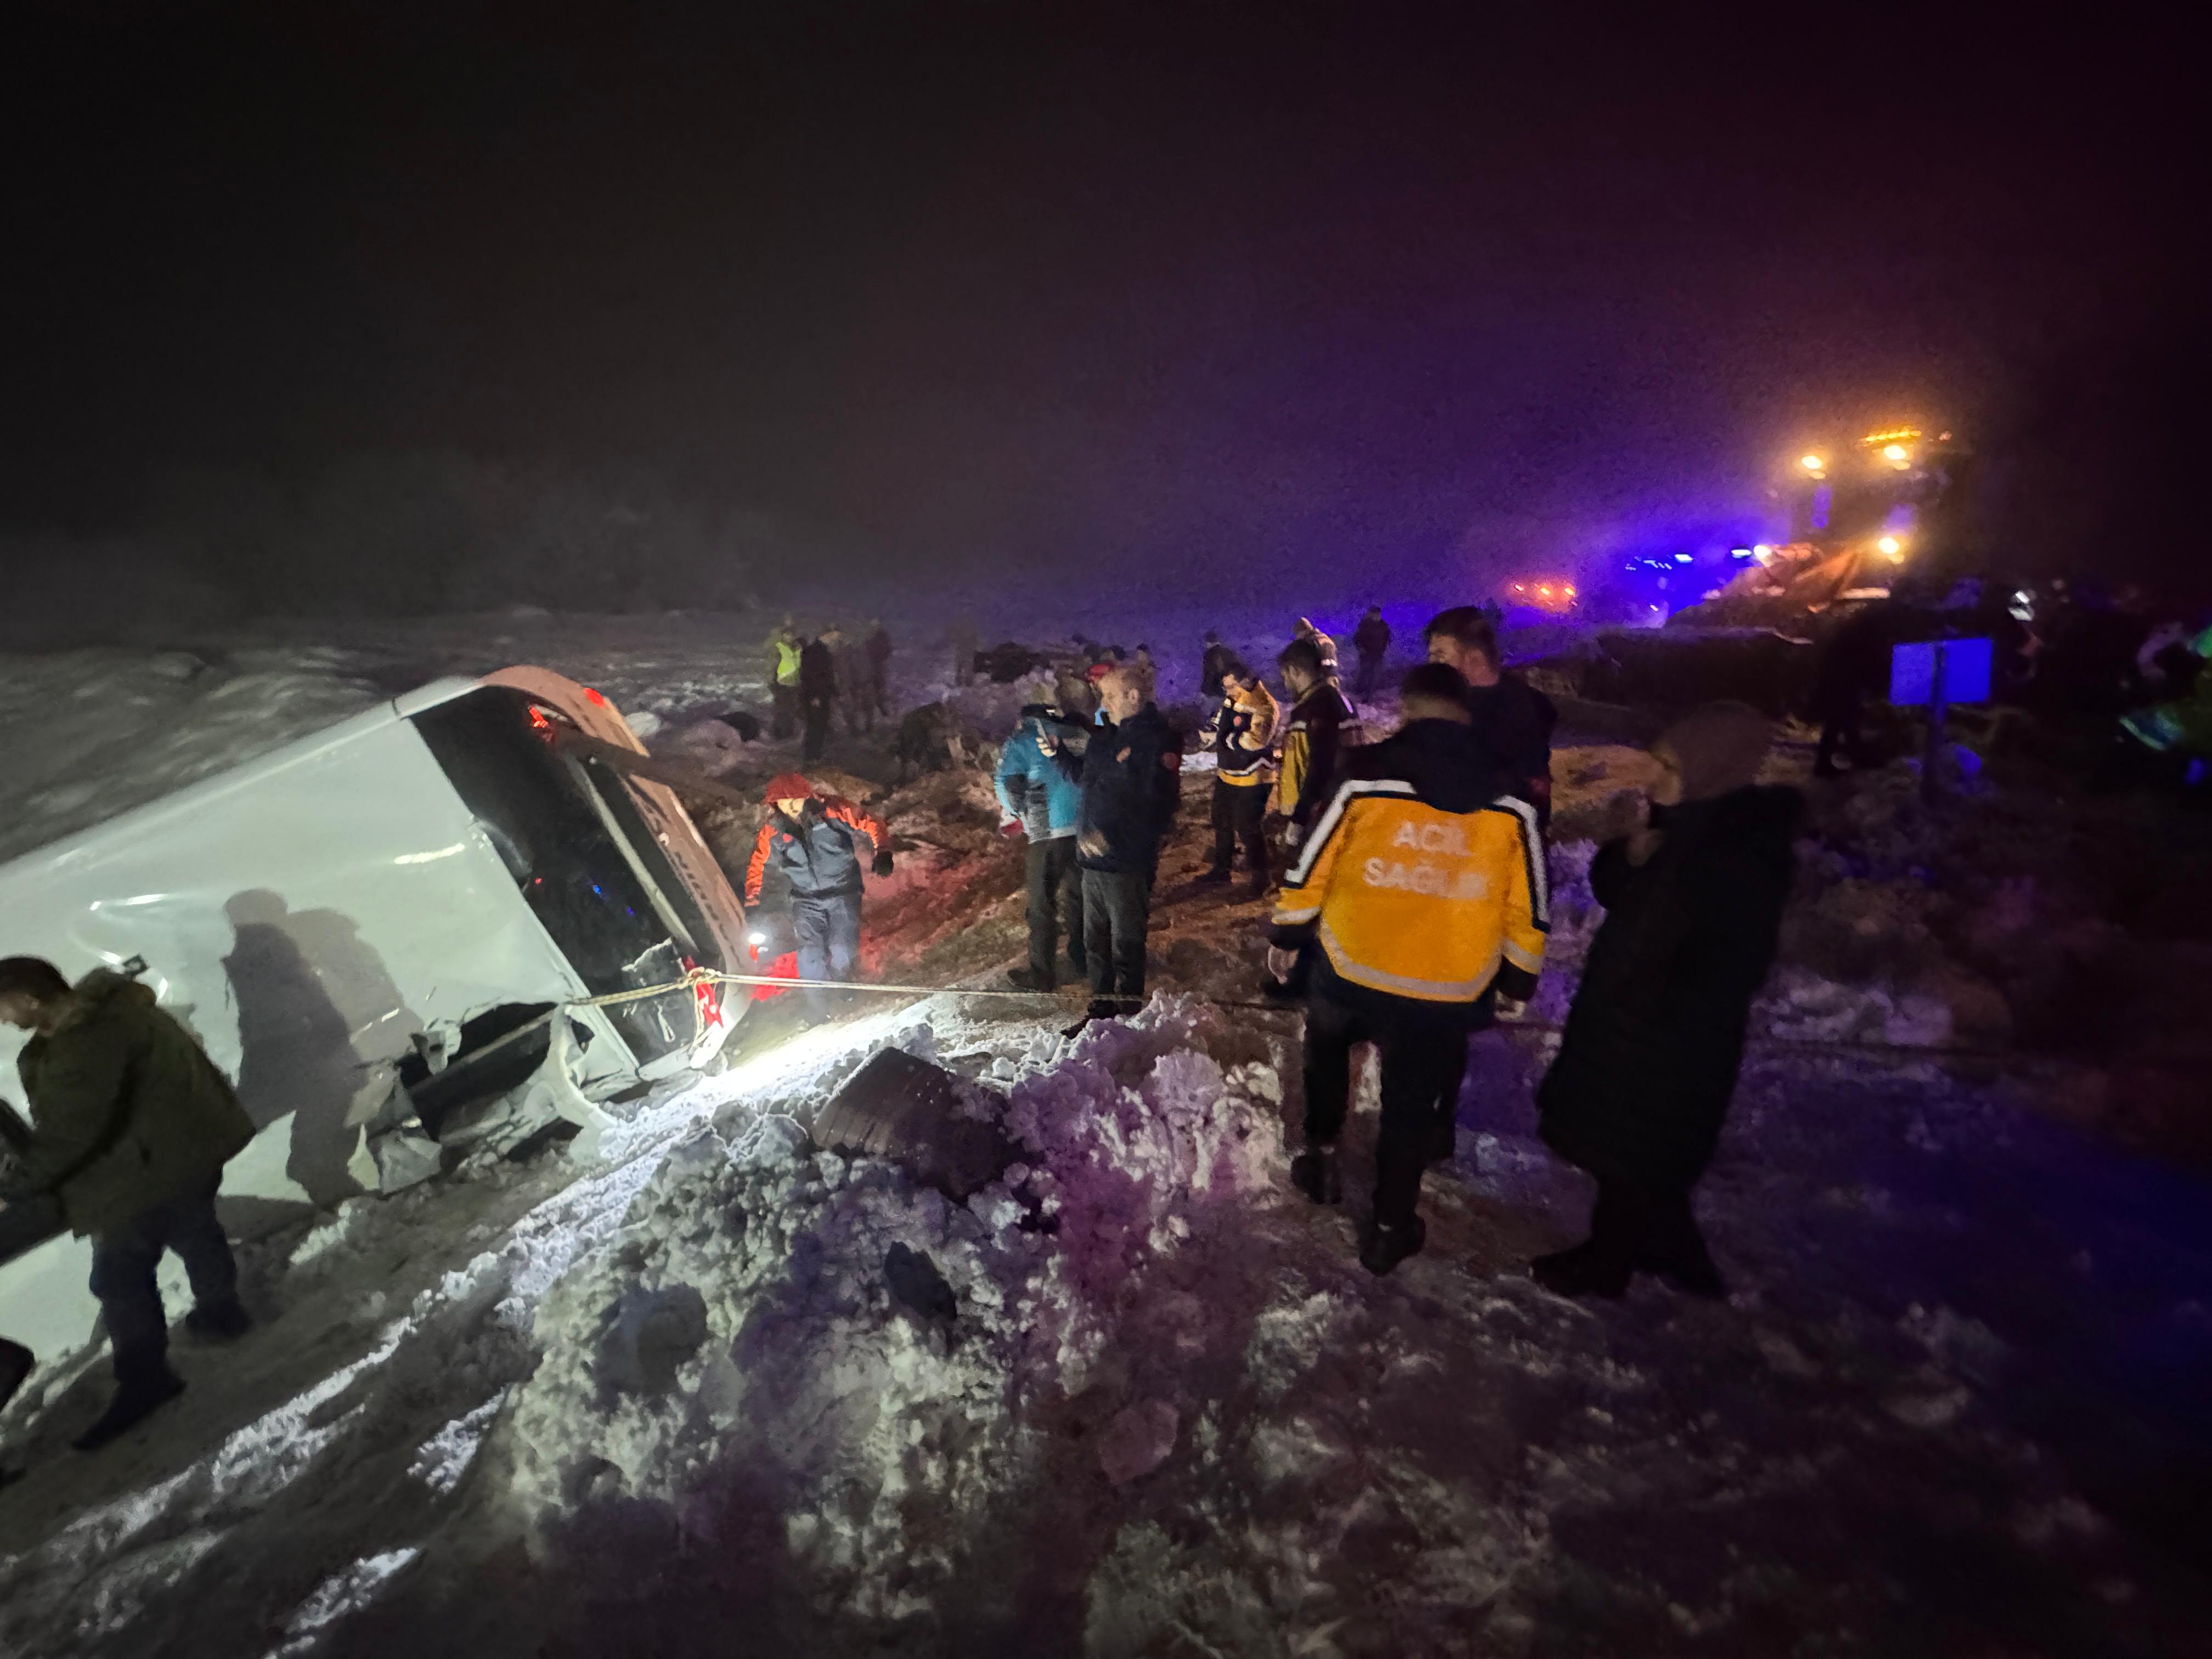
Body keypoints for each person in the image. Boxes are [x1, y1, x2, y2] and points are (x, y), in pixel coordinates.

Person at [1268, 664, 1547, 1275]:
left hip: (1351, 962)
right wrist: (1518, 977)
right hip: (1444, 985)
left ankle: (1319, 1158)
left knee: (1326, 1057)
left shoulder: (1365, 772)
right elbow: (1527, 898)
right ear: (1464, 710)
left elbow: (1316, 858)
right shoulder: (1513, 794)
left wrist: (1289, 932)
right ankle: (1391, 1228)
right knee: (1409, 1107)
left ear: (1408, 708)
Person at [1532, 703, 1798, 1300]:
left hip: (1668, 1035)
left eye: (1669, 766)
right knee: (1642, 1152)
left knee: (1633, 1151)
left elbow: (1731, 961)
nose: (1651, 776)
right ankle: (1676, 1251)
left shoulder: (1734, 856)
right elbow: (1626, 898)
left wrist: (1652, 998)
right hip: (1637, 1023)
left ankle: (1608, 1266)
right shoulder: (1682, 829)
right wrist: (1628, 857)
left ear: (1711, 774)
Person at [0, 957, 258, 1450]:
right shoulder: (110, 1013)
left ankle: (147, 1379)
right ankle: (222, 1311)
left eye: (4, 1008)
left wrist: (13, 1188)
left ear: (30, 999)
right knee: (195, 1230)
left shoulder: (86, 1039)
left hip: (145, 1170)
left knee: (118, 1279)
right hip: (181, 1150)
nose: (4, 1020)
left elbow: (73, 1131)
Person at [1043, 667, 1180, 1019]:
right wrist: (1059, 756)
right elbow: (1087, 781)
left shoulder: (1156, 740)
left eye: (1110, 696)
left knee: (1126, 944)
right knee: (1095, 944)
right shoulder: (1107, 739)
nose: (1103, 704)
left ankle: (1128, 1014)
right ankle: (1100, 1009)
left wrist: (1113, 835)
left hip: (1124, 861)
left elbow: (1158, 806)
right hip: (1092, 859)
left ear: (1134, 696)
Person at [743, 775, 893, 1020]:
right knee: (809, 955)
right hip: (805, 899)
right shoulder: (773, 830)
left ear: (807, 796)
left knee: (842, 949)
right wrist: (753, 902)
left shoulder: (833, 811)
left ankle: (842, 979)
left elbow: (872, 824)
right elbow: (756, 864)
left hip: (843, 892)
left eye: (795, 800)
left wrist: (883, 851)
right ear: (774, 805)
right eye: (783, 802)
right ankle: (818, 1011)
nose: (791, 807)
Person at [1425, 606, 1556, 827]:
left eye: (1441, 655)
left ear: (1474, 659)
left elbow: (1529, 791)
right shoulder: (1448, 704)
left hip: (1494, 839)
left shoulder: (1519, 709)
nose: (1432, 665)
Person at [995, 696, 1089, 990]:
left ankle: (1042, 973)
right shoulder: (1077, 734)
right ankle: (1085, 959)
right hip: (1085, 828)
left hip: (1047, 832)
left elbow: (1006, 783)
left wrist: (1015, 813)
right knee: (1079, 898)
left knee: (1041, 905)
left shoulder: (1022, 739)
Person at [1196, 659, 1279, 893]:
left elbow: (1255, 741)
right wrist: (1213, 729)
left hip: (1253, 776)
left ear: (1245, 681)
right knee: (1221, 819)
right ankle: (1222, 869)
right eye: (1226, 688)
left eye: (1231, 687)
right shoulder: (1235, 695)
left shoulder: (1264, 706)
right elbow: (1223, 715)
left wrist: (1223, 739)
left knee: (1248, 826)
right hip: (1229, 773)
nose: (1228, 692)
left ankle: (1261, 878)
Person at [1272, 638, 1362, 849]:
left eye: (1285, 676)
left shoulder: (1317, 709)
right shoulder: (1336, 701)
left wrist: (1299, 819)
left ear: (1295, 671)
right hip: (1337, 805)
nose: (1285, 683)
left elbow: (1320, 766)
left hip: (1321, 813)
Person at [799, 626, 840, 762]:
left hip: (822, 695)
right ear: (828, 634)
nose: (836, 639)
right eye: (835, 636)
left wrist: (834, 692)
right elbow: (810, 676)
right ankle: (812, 756)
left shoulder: (822, 651)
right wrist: (814, 696)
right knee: (815, 726)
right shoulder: (815, 652)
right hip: (816, 696)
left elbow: (827, 676)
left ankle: (815, 755)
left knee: (820, 725)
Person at [766, 617, 803, 741]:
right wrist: (772, 681)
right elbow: (772, 666)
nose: (789, 637)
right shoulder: (779, 647)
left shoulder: (798, 648)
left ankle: (789, 732)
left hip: (795, 684)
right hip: (781, 684)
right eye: (787, 634)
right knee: (782, 710)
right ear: (782, 635)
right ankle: (779, 733)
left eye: (791, 635)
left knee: (792, 709)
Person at [834, 627, 876, 736]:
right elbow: (844, 671)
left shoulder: (857, 653)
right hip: (854, 684)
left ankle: (863, 730)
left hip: (861, 683)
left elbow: (865, 669)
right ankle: (856, 731)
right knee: (853, 709)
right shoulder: (845, 655)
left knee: (864, 708)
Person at [1351, 605, 1392, 698]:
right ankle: (1359, 690)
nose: (1376, 616)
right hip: (1366, 653)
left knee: (1374, 675)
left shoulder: (1383, 626)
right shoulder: (1365, 625)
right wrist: (1361, 649)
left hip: (1378, 653)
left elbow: (1387, 638)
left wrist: (1384, 648)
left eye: (1378, 614)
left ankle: (1368, 694)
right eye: (1374, 613)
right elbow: (1357, 639)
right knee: (1364, 673)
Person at [1295, 617, 1340, 681]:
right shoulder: (1325, 638)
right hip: (1333, 673)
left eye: (1297, 634)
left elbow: (1309, 663)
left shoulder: (1310, 641)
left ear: (1302, 631)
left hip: (1321, 675)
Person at [864, 620, 894, 717]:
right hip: (875, 666)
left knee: (877, 689)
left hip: (874, 667)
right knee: (878, 689)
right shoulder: (881, 637)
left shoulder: (871, 636)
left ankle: (881, 711)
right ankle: (882, 711)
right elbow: (889, 650)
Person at [1200, 630, 1236, 700]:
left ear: (1209, 642)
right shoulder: (1228, 653)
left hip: (1213, 691)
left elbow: (1210, 674)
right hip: (1229, 690)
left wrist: (1205, 690)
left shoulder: (1210, 654)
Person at [949, 614, 980, 689]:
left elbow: (953, 639)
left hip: (965, 652)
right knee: (964, 667)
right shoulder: (971, 633)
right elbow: (975, 643)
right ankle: (965, 683)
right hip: (965, 652)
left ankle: (963, 683)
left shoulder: (963, 632)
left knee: (962, 667)